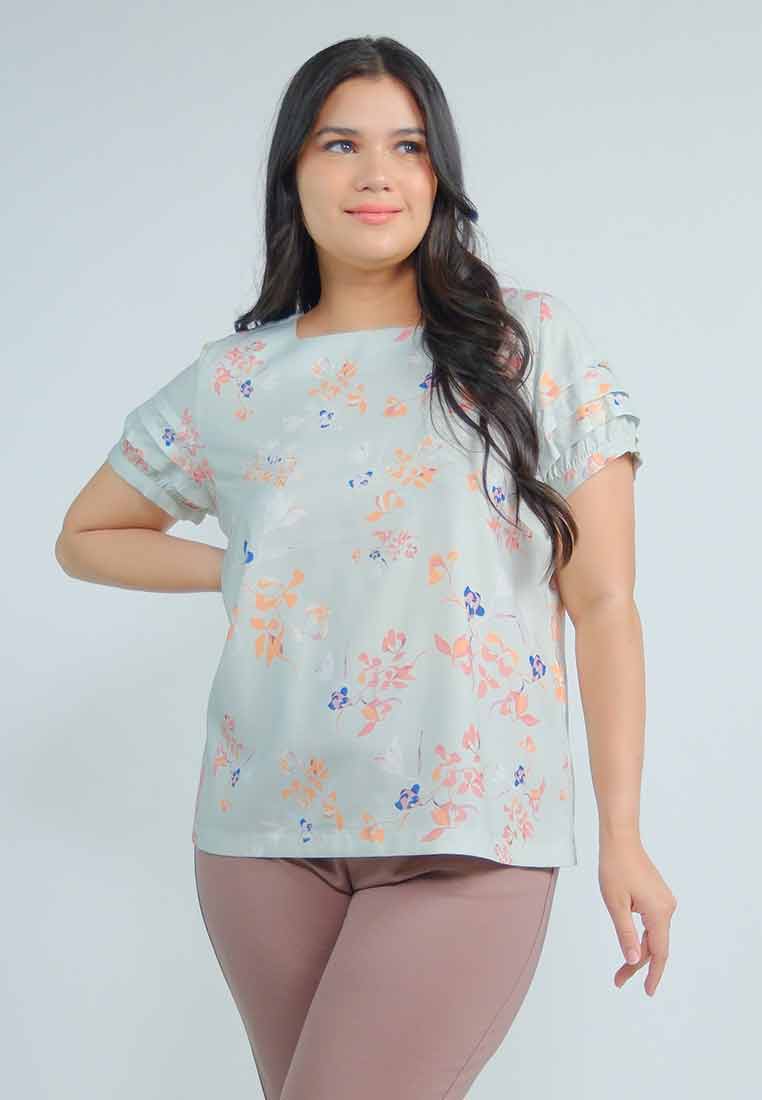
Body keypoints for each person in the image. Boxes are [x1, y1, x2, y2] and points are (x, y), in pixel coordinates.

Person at [55, 35, 677, 1100]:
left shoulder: (529, 345)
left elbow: (607, 601)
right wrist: (242, 569)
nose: (376, 173)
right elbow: (86, 534)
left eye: (409, 146)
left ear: (440, 176)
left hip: (470, 834)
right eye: (341, 144)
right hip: (261, 839)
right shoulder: (235, 380)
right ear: (294, 171)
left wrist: (624, 833)